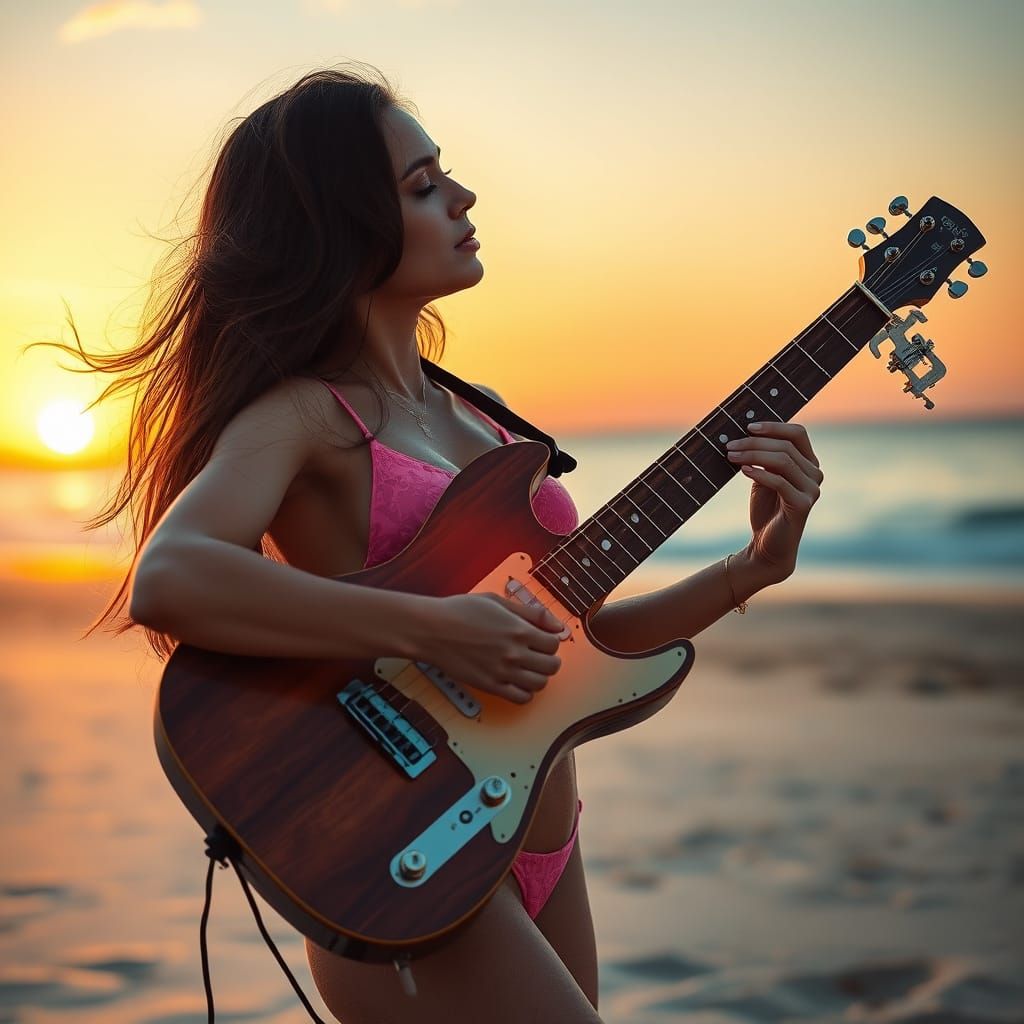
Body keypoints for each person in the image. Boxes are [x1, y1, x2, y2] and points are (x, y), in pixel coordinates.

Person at [44, 64, 823, 1024]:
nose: (462, 197)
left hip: (535, 835)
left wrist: (751, 570)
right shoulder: (307, 414)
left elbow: (565, 642)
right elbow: (174, 574)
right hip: (395, 852)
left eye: (443, 174)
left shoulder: (485, 425)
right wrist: (433, 630)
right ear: (342, 226)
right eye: (421, 186)